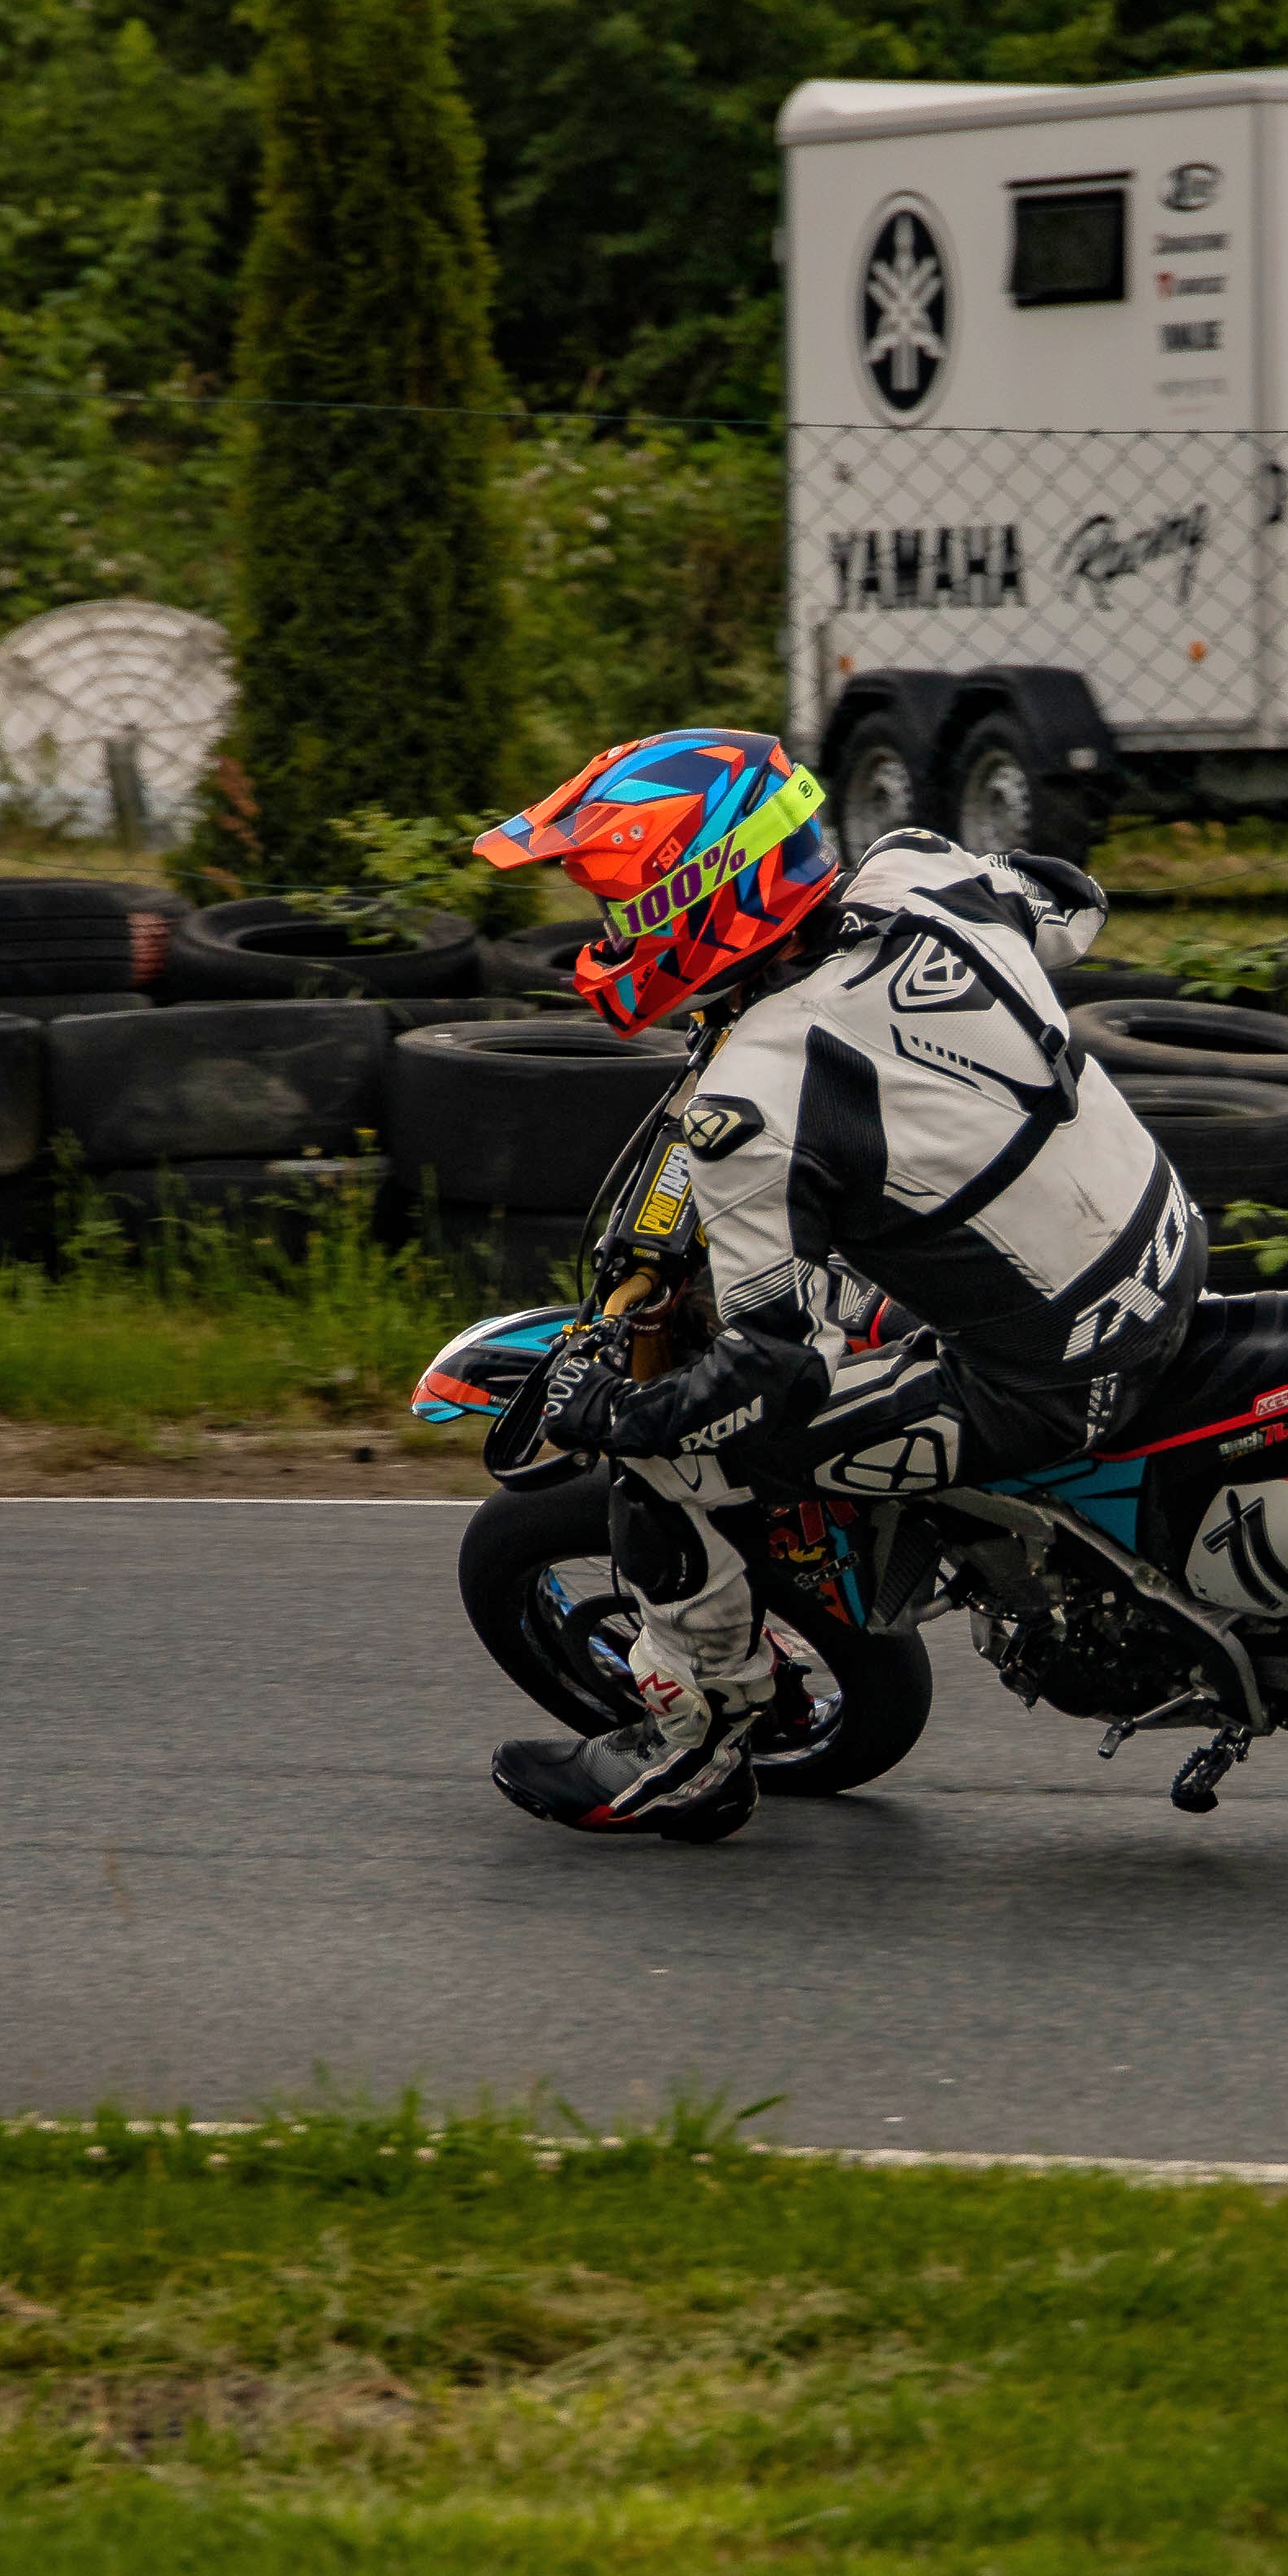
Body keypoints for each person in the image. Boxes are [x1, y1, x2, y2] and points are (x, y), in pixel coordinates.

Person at [469, 728, 1203, 1835]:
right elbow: (1068, 899)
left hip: (1052, 1375)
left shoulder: (760, 1095)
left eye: (622, 903)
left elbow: (770, 1371)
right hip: (1162, 1245)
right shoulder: (919, 872)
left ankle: (694, 1744)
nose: (609, 933)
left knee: (671, 1455)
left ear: (703, 891)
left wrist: (611, 1411)